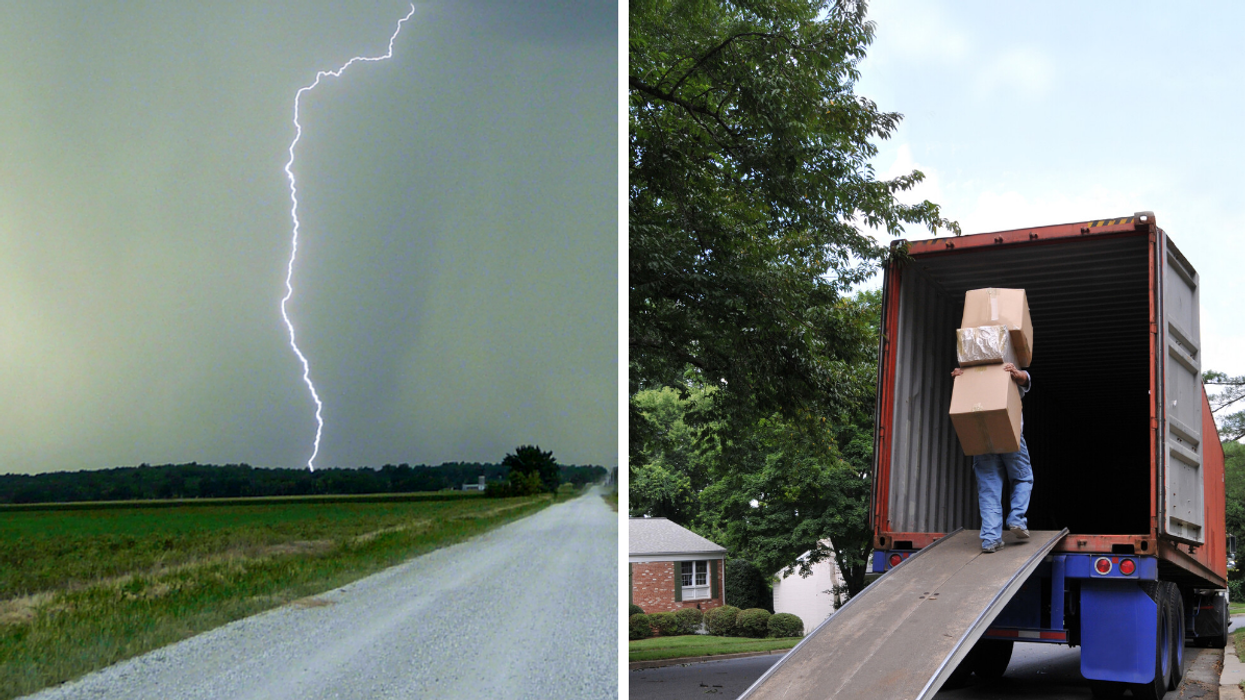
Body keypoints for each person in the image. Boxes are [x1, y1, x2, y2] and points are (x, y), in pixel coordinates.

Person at [950, 362, 1033, 553]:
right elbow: (1025, 379)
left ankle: (990, 539)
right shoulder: (1009, 367)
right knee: (1023, 478)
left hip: (981, 437)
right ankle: (1017, 518)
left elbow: (1025, 378)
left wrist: (961, 378)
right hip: (1008, 433)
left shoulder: (973, 370)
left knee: (989, 490)